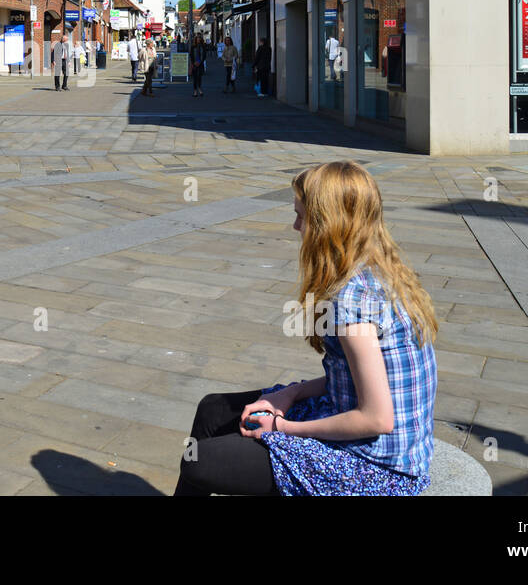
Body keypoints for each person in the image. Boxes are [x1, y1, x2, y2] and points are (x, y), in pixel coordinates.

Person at [176, 161, 438, 496]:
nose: (295, 225)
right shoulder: (379, 270)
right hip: (368, 433)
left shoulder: (353, 301)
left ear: (328, 225)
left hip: (376, 468)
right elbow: (359, 377)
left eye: (301, 215)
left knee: (201, 461)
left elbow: (377, 418)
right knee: (213, 409)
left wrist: (283, 427)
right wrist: (292, 393)